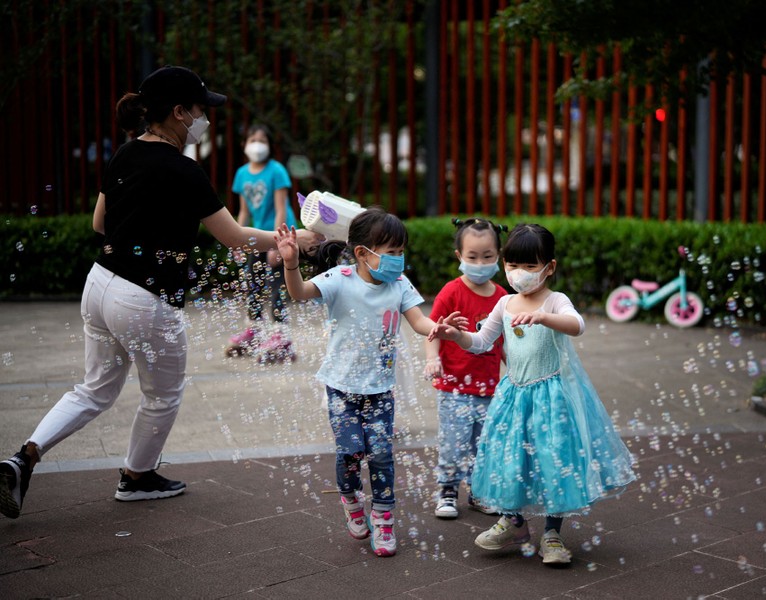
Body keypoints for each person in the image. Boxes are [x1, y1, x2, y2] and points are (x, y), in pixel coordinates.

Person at [0, 65, 323, 520]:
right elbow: (232, 236)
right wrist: (295, 242)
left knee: (93, 388)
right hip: (144, 299)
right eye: (199, 111)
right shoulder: (185, 170)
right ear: (178, 113)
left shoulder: (124, 155)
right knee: (162, 395)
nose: (204, 120)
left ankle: (22, 458)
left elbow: (99, 223)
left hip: (99, 285)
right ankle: (137, 477)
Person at [429, 223, 636, 566]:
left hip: (552, 396)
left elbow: (578, 325)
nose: (519, 274)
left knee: (554, 462)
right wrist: (456, 337)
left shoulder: (556, 301)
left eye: (529, 266)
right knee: (509, 458)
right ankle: (514, 522)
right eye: (512, 265)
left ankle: (552, 534)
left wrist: (544, 317)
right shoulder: (504, 303)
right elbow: (481, 343)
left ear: (549, 267)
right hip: (514, 394)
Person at [275, 207, 461, 558]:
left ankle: (384, 518)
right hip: (341, 387)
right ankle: (350, 499)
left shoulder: (400, 284)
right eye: (391, 253)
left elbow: (420, 322)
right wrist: (290, 262)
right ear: (363, 253)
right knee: (349, 453)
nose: (398, 260)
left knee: (380, 455)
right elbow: (299, 293)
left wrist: (439, 328)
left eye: (401, 251)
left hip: (380, 388)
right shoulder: (340, 279)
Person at [424, 218, 507, 519]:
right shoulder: (451, 292)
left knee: (484, 444)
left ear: (498, 256)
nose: (480, 262)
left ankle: (477, 490)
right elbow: (432, 332)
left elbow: (507, 344)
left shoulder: (502, 298)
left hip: (489, 386)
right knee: (454, 442)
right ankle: (446, 490)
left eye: (487, 256)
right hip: (454, 385)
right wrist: (433, 358)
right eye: (472, 257)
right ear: (459, 256)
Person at [226, 124, 296, 362]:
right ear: (245, 145)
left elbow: (280, 210)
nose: (258, 144)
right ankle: (253, 330)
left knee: (277, 284)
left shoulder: (276, 171)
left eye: (263, 140)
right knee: (252, 281)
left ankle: (280, 335)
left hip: (279, 233)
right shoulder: (242, 173)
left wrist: (277, 244)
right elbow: (244, 212)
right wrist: (235, 240)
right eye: (253, 139)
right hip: (255, 236)